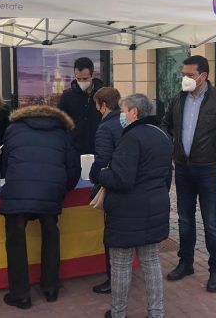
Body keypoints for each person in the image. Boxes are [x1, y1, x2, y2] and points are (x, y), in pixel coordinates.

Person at [161, 55, 216, 293]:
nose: (185, 79)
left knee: (211, 221)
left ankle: (215, 270)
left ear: (204, 76)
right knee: (184, 219)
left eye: (190, 75)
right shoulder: (178, 99)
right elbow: (165, 124)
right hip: (182, 168)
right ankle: (185, 263)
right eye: (183, 75)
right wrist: (172, 149)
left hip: (209, 170)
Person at [0, 105, 80, 310]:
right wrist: (61, 190)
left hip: (18, 189)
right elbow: (73, 168)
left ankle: (21, 295)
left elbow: (5, 164)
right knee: (51, 235)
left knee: (15, 240)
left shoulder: (13, 129)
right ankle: (51, 289)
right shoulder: (62, 132)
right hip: (50, 191)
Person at [98, 94, 173, 318]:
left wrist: (101, 174)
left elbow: (122, 179)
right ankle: (156, 313)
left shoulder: (131, 138)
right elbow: (167, 176)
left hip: (127, 212)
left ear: (134, 113)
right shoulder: (163, 135)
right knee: (151, 262)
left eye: (123, 111)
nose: (121, 116)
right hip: (155, 207)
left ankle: (119, 313)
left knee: (120, 264)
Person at [88, 87, 123, 295]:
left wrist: (93, 176)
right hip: (129, 183)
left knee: (111, 234)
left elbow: (102, 160)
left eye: (97, 105)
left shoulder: (105, 127)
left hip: (112, 184)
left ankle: (113, 278)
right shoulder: (126, 120)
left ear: (103, 105)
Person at [58, 57, 103, 155]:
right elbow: (60, 120)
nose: (81, 81)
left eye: (85, 79)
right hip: (74, 148)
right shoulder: (67, 96)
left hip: (98, 147)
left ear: (93, 75)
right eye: (78, 78)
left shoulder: (103, 94)